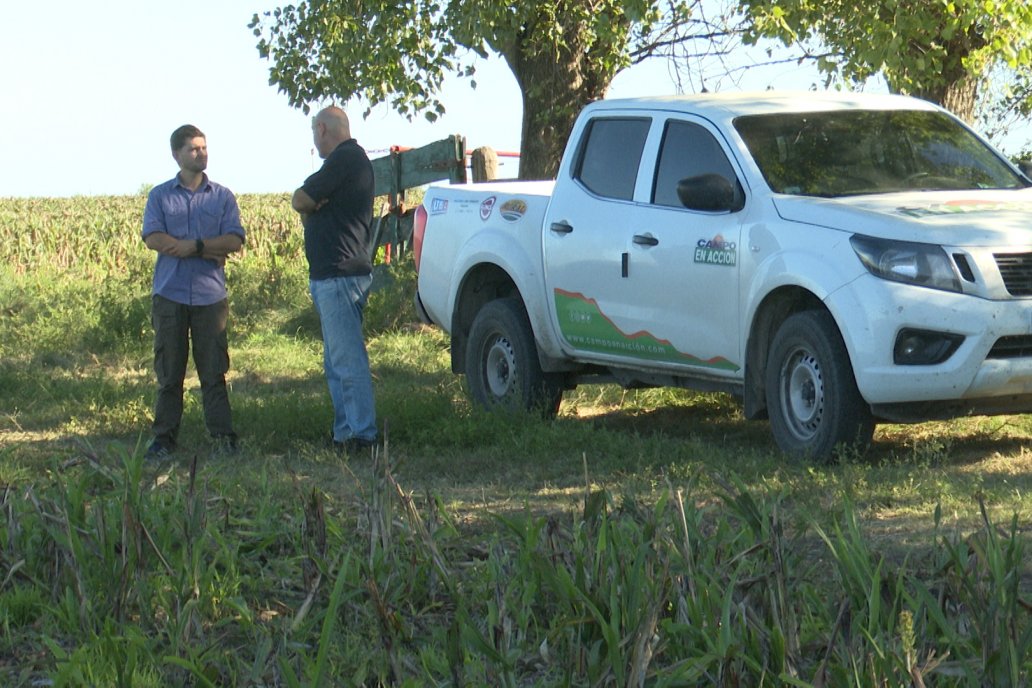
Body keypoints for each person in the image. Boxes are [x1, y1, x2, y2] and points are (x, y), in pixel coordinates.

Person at [141, 124, 246, 460]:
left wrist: (195, 246)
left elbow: (234, 240)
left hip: (210, 298)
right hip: (170, 294)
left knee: (213, 371)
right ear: (177, 154)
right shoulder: (160, 196)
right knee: (170, 372)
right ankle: (163, 439)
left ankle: (223, 437)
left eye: (204, 147)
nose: (201, 153)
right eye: (193, 149)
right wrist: (201, 251)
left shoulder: (222, 196)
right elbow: (153, 237)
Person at [291, 106, 377, 454]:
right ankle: (344, 431)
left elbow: (300, 199)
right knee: (335, 360)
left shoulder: (344, 159)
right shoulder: (348, 162)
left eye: (315, 133)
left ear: (323, 129)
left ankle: (362, 434)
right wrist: (315, 207)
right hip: (333, 273)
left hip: (340, 273)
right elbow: (308, 205)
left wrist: (315, 206)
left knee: (346, 358)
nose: (315, 140)